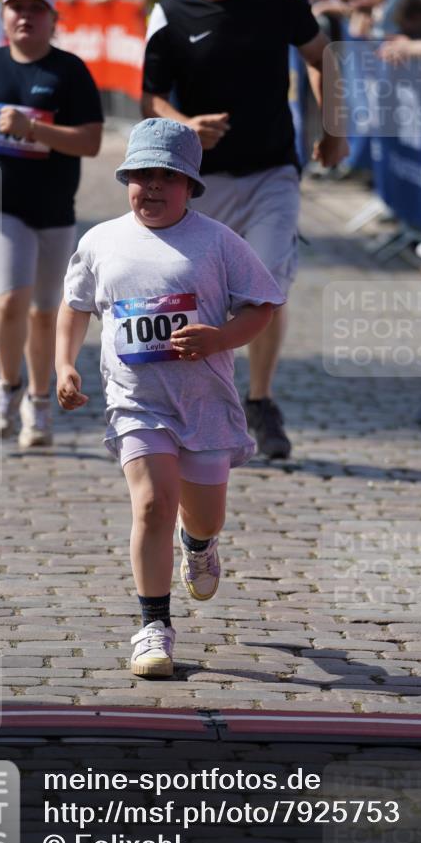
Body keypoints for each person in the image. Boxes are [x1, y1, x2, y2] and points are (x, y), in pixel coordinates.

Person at [55, 119, 284, 677]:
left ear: (190, 185)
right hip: (137, 401)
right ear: (126, 180)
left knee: (204, 516)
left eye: (167, 177)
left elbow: (263, 304)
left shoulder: (217, 241)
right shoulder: (101, 241)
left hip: (204, 401)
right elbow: (75, 305)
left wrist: (221, 338)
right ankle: (153, 627)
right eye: (141, 176)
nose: (152, 187)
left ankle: (199, 544)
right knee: (152, 504)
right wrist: (64, 364)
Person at [141, 0, 348, 460]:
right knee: (206, 299)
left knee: (266, 284)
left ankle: (260, 398)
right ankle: (213, 403)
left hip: (273, 169)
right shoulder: (169, 15)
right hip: (203, 182)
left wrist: (335, 128)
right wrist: (184, 125)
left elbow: (322, 55)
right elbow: (150, 99)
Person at [0, 0, 103, 447]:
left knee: (44, 311)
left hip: (55, 207)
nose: (25, 17)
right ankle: (6, 386)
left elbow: (91, 142)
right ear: (4, 15)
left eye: (36, 9)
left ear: (53, 19)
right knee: (10, 299)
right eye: (17, 7)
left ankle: (38, 403)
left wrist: (36, 130)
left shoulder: (70, 71)